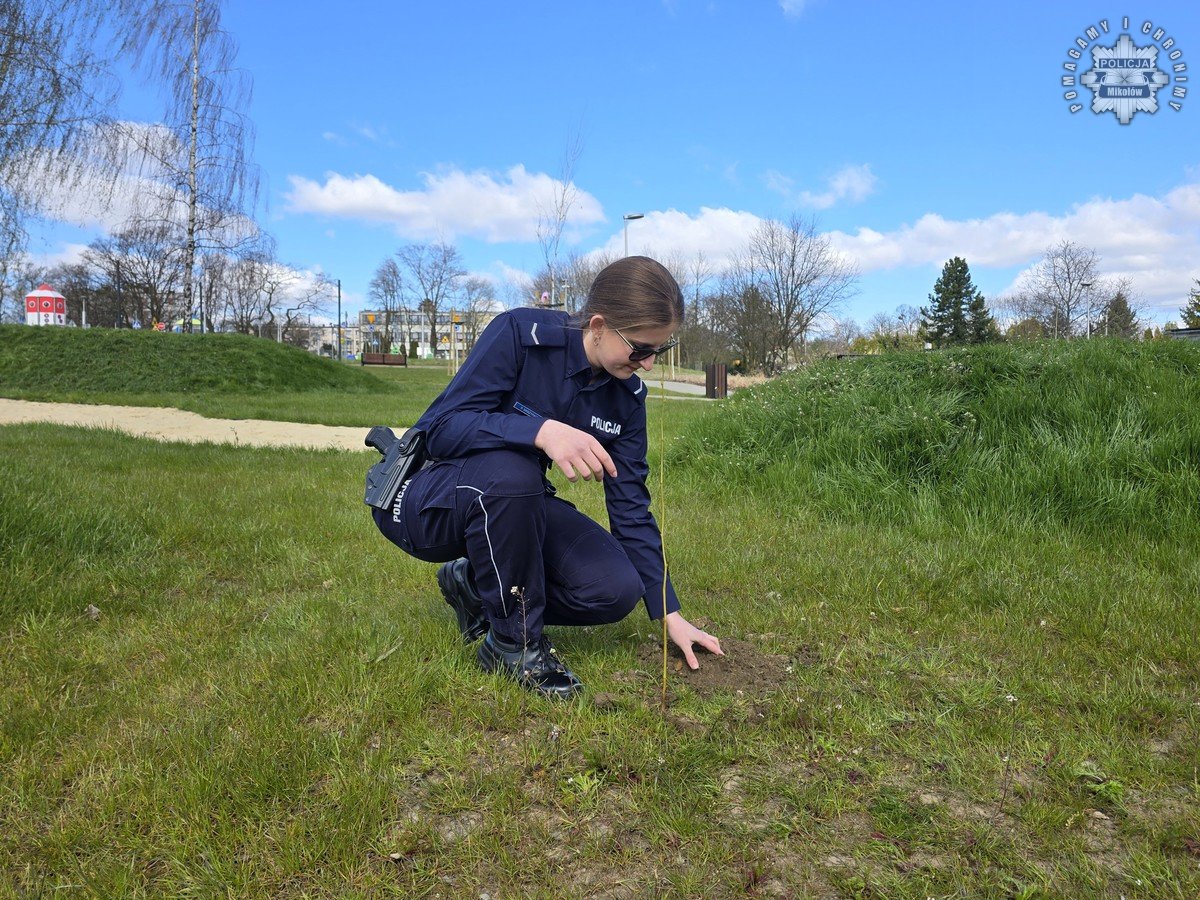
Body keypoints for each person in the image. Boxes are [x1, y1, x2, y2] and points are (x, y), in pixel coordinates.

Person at [370, 256, 722, 699]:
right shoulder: (519, 335)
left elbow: (630, 504)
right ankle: (513, 646)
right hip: (426, 501)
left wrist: (668, 610)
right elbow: (438, 431)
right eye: (640, 348)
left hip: (515, 503)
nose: (649, 364)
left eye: (660, 350)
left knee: (615, 588)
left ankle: (475, 585)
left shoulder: (627, 398)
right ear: (598, 325)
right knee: (514, 471)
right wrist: (540, 431)